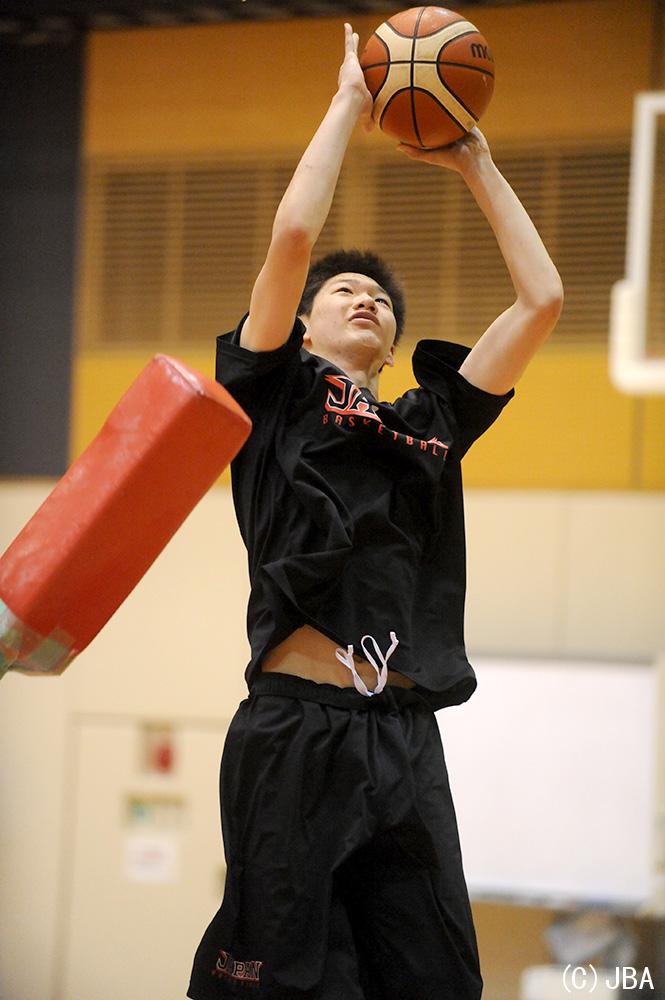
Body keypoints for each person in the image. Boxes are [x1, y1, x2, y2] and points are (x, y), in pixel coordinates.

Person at [187, 22, 563, 1000]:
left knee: (434, 980)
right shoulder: (272, 393)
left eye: (380, 300)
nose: (365, 299)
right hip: (294, 731)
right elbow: (292, 237)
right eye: (344, 291)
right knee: (280, 984)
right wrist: (349, 102)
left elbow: (540, 301)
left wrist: (474, 160)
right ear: (301, 322)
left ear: (393, 344)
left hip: (403, 734)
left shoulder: (426, 425)